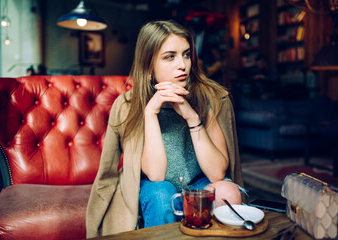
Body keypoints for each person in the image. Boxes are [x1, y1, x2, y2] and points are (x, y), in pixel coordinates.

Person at [86, 20, 245, 237]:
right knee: (161, 194)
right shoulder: (128, 105)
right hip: (154, 186)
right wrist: (151, 113)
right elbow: (156, 174)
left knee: (227, 191)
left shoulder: (209, 97)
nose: (182, 65)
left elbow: (218, 173)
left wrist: (191, 117)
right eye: (170, 57)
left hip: (199, 182)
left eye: (186, 54)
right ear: (149, 65)